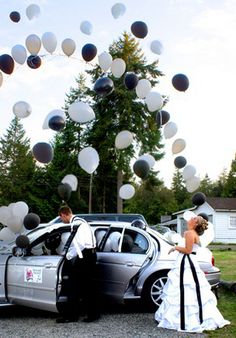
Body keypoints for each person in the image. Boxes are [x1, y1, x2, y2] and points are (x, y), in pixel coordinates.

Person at [155, 215, 230, 333]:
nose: (190, 218)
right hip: (188, 261)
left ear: (195, 224)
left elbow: (188, 250)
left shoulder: (190, 233)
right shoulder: (191, 233)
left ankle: (187, 319)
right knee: (188, 288)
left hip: (187, 261)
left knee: (185, 287)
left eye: (193, 218)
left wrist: (175, 247)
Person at [56, 205, 100, 323]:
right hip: (90, 254)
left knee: (74, 286)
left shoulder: (76, 224)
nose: (62, 221)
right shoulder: (81, 221)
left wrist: (67, 256)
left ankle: (72, 316)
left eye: (61, 218)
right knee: (88, 287)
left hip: (84, 256)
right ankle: (92, 315)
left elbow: (79, 244)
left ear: (64, 214)